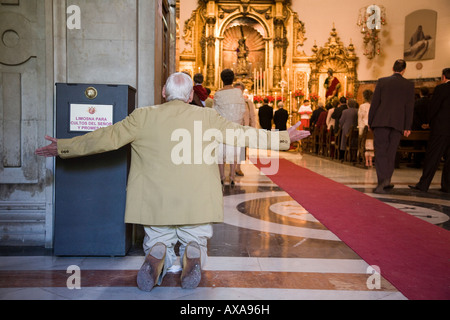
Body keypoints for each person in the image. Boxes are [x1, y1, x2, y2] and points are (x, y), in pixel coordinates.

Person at [35, 72, 311, 292]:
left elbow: (105, 138)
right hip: (196, 203)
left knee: (158, 236)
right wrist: (283, 137)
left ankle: (158, 254)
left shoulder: (143, 117)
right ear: (191, 96)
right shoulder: (208, 117)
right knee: (196, 236)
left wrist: (64, 147)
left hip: (156, 203)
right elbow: (245, 135)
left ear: (164, 93)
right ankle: (193, 251)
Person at [369, 59, 415, 194]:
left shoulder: (382, 81)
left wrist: (370, 122)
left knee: (381, 152)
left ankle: (382, 182)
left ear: (392, 68)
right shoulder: (409, 85)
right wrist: (407, 126)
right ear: (404, 70)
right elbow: (409, 107)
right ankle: (386, 181)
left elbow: (375, 103)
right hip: (398, 124)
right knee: (391, 153)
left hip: (380, 122)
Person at [409, 68, 450, 193]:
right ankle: (447, 186)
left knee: (433, 157)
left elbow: (434, 107)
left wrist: (428, 122)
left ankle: (424, 184)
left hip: (441, 128)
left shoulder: (441, 88)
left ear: (443, 77)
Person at [213, 69, 246, 186]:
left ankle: (222, 176)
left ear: (222, 79)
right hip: (235, 126)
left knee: (221, 152)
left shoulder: (218, 94)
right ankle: (232, 175)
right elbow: (243, 109)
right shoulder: (238, 93)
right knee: (234, 151)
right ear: (233, 79)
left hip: (222, 127)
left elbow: (214, 111)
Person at [233, 82, 257, 177]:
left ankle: (238, 167)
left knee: (242, 149)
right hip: (234, 128)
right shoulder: (231, 102)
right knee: (233, 149)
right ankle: (233, 167)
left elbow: (252, 116)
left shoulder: (247, 102)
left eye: (240, 90)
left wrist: (253, 128)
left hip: (244, 128)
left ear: (243, 91)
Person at [358, 89, 375, 168]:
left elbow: (360, 118)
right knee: (371, 144)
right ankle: (371, 161)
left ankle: (366, 161)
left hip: (364, 127)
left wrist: (360, 130)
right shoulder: (374, 106)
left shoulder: (362, 106)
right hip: (372, 127)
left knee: (365, 144)